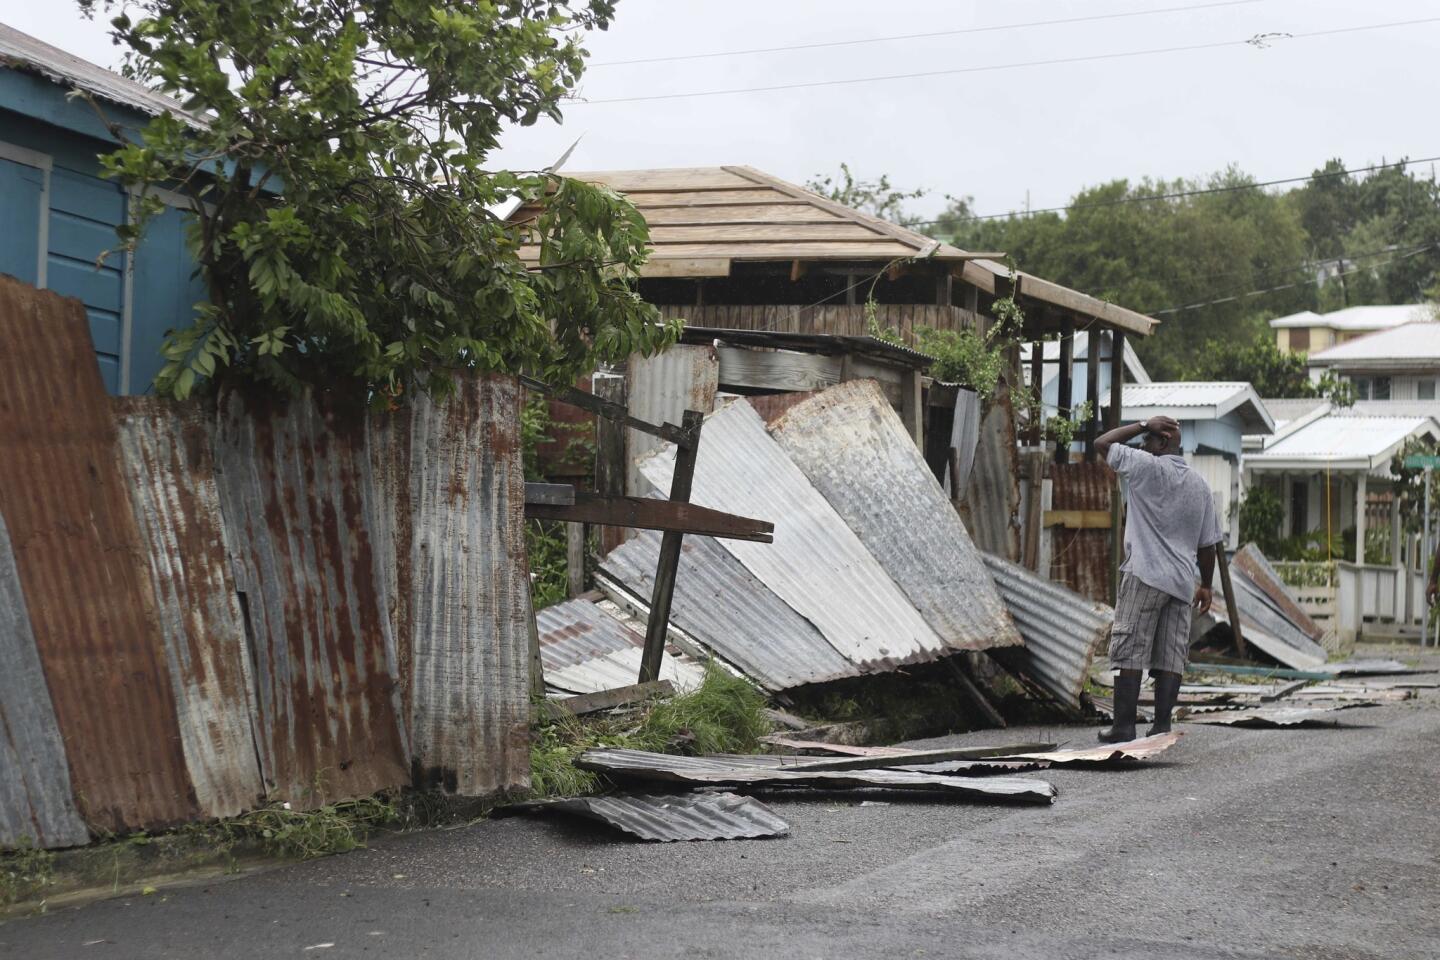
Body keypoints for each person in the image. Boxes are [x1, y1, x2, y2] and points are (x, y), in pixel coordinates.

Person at [1094, 415, 1223, 743]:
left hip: (1145, 574)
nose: (1143, 446)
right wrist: (1206, 585)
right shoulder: (1200, 485)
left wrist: (1140, 424)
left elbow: (1103, 444)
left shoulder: (1145, 467)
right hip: (1181, 584)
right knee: (1170, 655)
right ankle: (1161, 725)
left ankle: (1123, 726)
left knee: (1131, 649)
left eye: (1148, 440)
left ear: (1162, 442)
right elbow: (1208, 545)